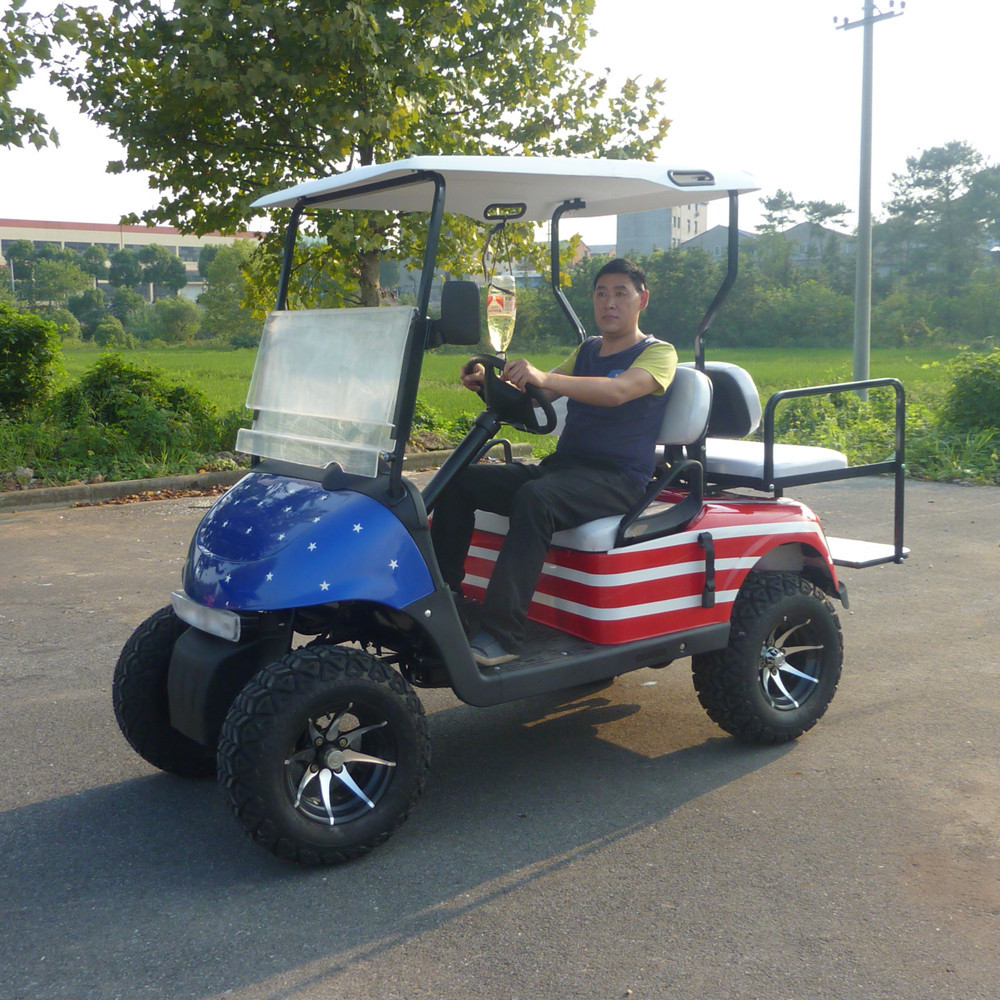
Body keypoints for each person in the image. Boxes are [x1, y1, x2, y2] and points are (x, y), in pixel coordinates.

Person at [431, 258, 677, 667]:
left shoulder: (658, 353)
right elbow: (538, 398)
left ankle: (501, 635)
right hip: (565, 469)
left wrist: (544, 377)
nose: (609, 302)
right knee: (459, 480)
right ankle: (447, 601)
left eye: (621, 293)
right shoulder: (588, 350)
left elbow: (618, 391)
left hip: (619, 479)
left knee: (536, 498)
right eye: (601, 293)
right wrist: (487, 384)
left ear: (642, 299)